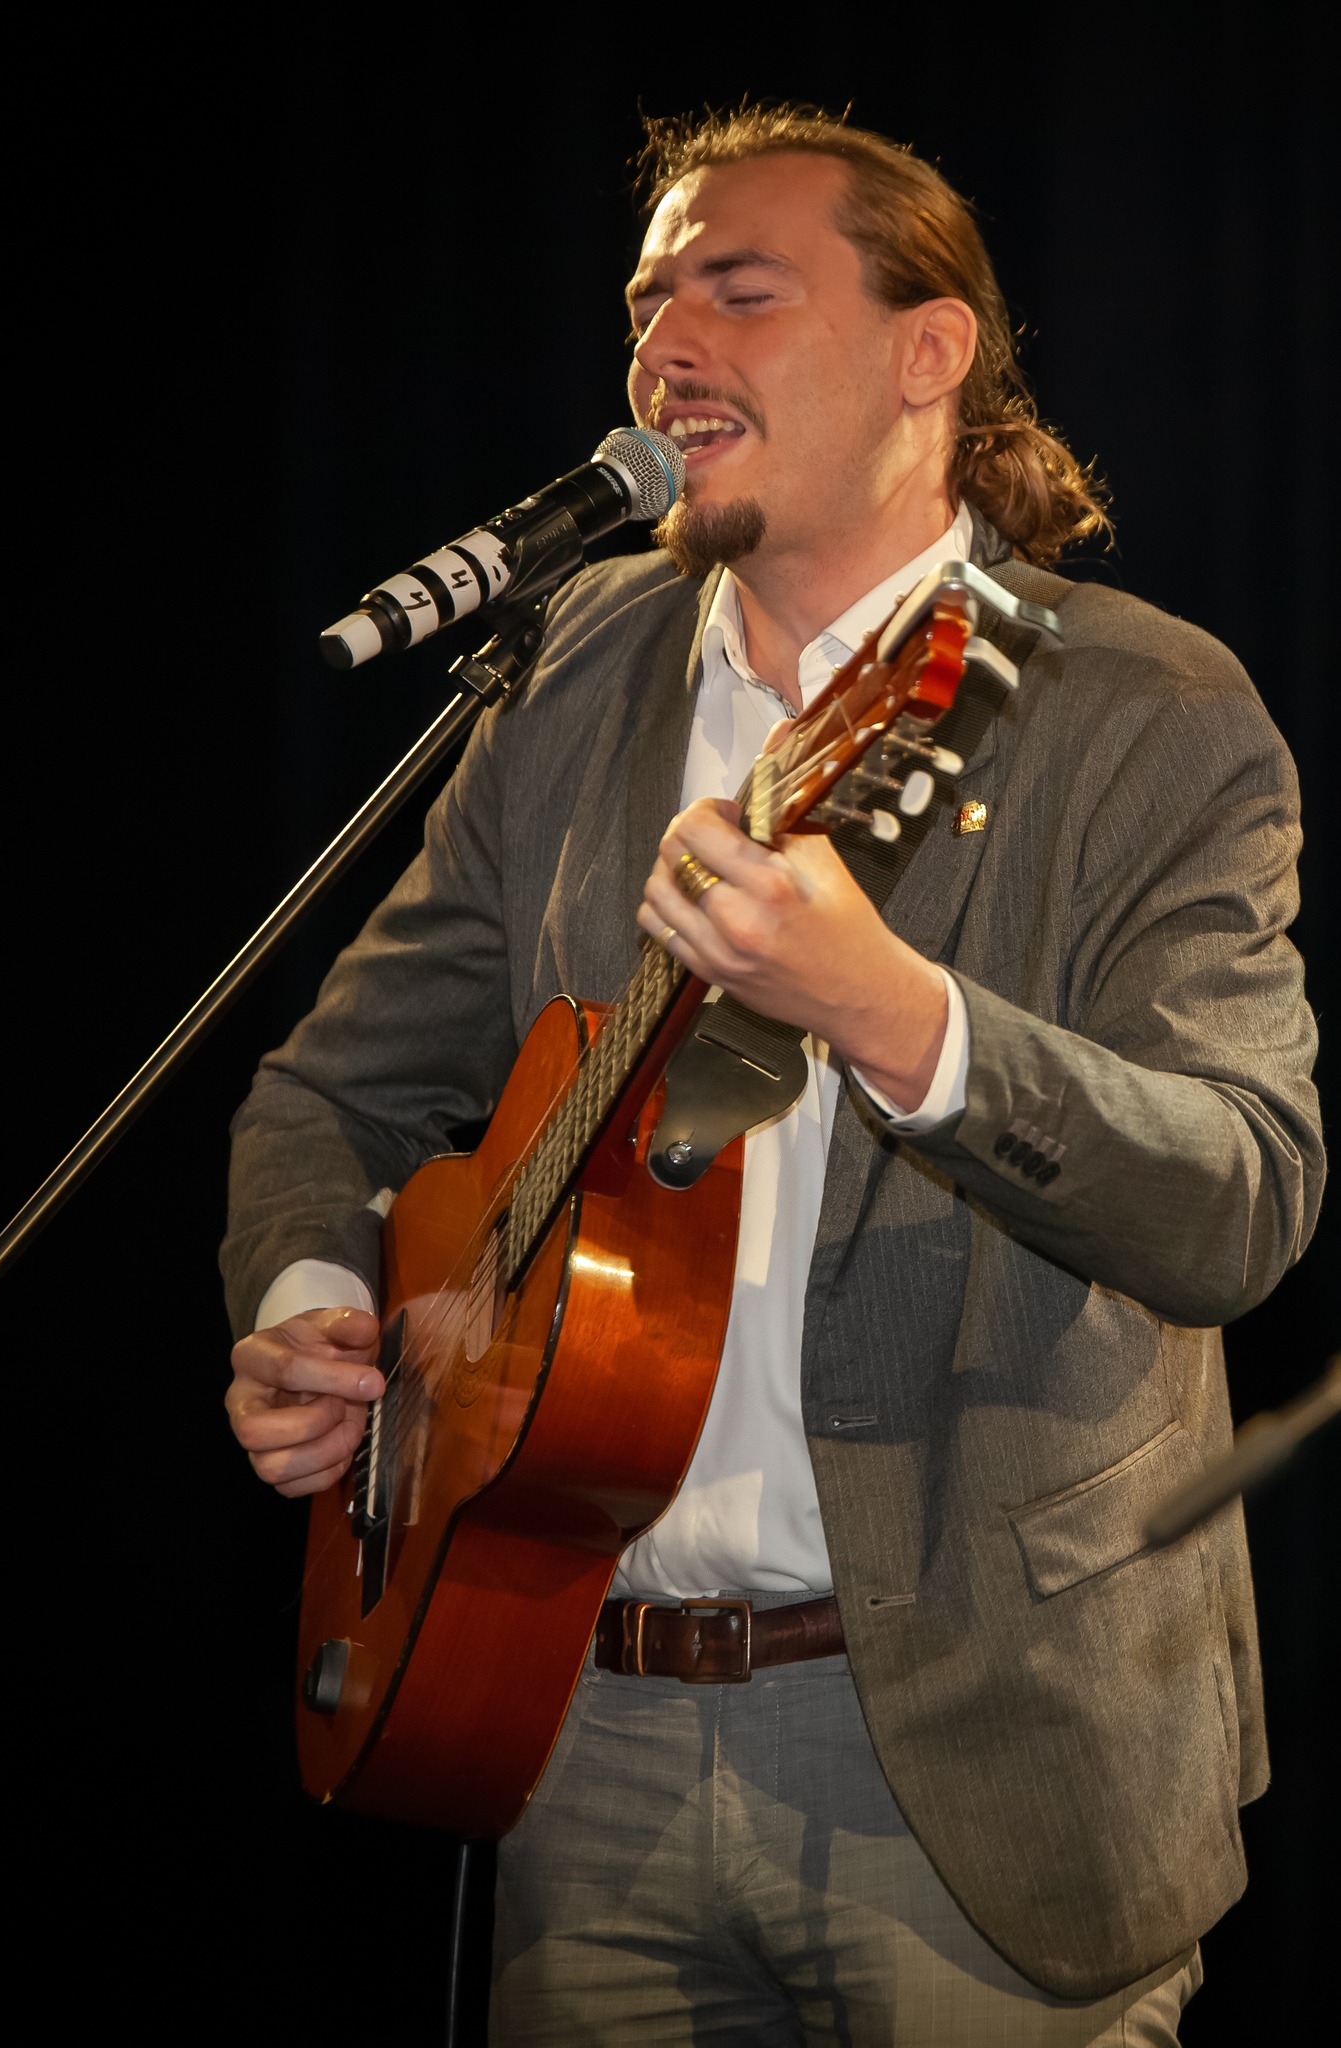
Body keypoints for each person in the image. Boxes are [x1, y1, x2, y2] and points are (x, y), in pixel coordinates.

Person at [222, 107, 1324, 2044]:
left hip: (986, 1750)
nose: (665, 345)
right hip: (579, 1726)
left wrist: (895, 1014)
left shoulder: (1145, 707)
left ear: (927, 352)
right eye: (646, 304)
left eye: (739, 291)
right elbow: (328, 1093)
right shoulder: (576, 669)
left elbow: (1236, 1197)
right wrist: (319, 1307)